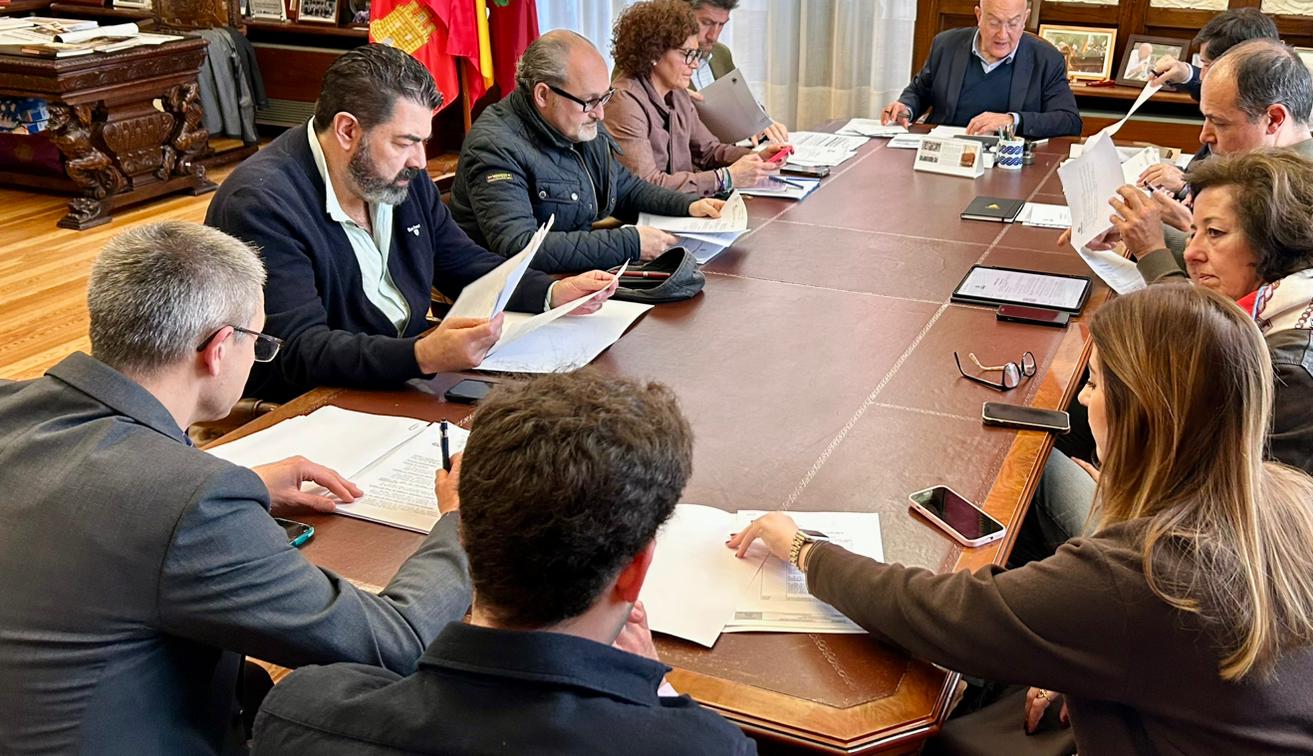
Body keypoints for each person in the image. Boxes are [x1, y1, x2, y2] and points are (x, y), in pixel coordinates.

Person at [729, 284, 1313, 755]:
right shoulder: (1288, 500)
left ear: (1141, 415)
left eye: (1095, 385)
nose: (1083, 399)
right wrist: (1093, 664)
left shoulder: (1140, 576)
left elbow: (941, 614)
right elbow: (1187, 662)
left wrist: (806, 549)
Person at [0, 222, 472, 754]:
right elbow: (394, 643)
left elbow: (98, 491)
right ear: (220, 348)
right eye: (259, 342)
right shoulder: (191, 502)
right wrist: (461, 521)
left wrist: (241, 480)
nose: (257, 356)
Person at [253, 370, 755, 755]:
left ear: (464, 534)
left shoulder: (304, 711)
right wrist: (657, 691)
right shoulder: (702, 746)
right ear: (635, 572)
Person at [207, 44, 616, 403]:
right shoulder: (261, 204)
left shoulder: (395, 175)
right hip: (313, 404)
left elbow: (461, 262)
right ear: (348, 130)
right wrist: (421, 356)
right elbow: (297, 350)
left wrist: (551, 292)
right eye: (406, 142)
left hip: (403, 382)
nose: (421, 161)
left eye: (424, 141)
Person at [1030, 149, 1313, 555]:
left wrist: (1118, 491)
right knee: (1068, 413)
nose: (1191, 252)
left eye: (1214, 233)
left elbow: (1219, 516)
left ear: (1276, 242)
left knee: (1032, 468)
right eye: (1193, 231)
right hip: (1217, 519)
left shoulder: (1289, 373)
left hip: (1214, 556)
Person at [1116, 40, 1313, 301]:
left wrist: (1151, 251)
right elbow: (1233, 264)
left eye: (1220, 123)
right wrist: (1144, 230)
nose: (1204, 136)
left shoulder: (1302, 195)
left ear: (1274, 119)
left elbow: (1218, 319)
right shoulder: (1294, 167)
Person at [449, 31, 726, 271]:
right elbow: (520, 246)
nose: (600, 113)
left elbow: (624, 188)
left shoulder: (577, 121)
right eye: (591, 101)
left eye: (604, 97)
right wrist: (629, 243)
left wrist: (687, 205)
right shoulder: (495, 145)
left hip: (572, 276)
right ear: (543, 95)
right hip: (514, 293)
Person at [607, 0, 784, 195]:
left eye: (696, 54)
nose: (695, 64)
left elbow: (709, 151)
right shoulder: (624, 103)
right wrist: (726, 177)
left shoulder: (678, 93)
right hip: (647, 212)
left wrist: (757, 157)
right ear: (653, 53)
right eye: (687, 54)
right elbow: (646, 186)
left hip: (684, 206)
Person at [881, 0, 1081, 140]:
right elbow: (919, 92)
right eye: (994, 23)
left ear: (1025, 19)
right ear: (979, 15)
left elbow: (1069, 121)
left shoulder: (1046, 59)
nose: (1003, 34)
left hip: (1007, 161)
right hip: (947, 151)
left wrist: (1012, 121)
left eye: (1013, 23)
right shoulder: (946, 45)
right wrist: (905, 108)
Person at [1137, 7, 1280, 192]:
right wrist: (1186, 74)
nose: (1204, 136)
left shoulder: (1262, 123)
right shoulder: (1258, 89)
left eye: (1206, 65)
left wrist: (1186, 187)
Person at [669, 0, 787, 144]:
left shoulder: (720, 54)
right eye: (706, 23)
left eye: (721, 25)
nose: (714, 36)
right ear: (677, 13)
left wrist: (761, 123)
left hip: (729, 155)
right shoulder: (656, 63)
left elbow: (745, 107)